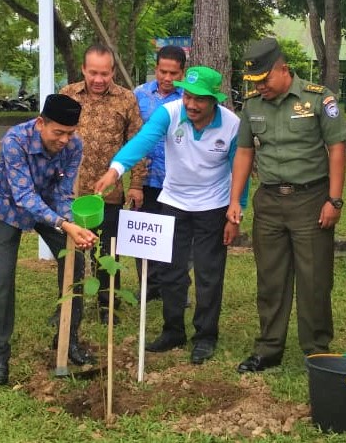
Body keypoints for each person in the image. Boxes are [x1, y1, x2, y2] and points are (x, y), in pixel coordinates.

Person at [95, 66, 244, 364]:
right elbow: (143, 140)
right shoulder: (170, 113)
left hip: (213, 206)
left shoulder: (231, 124)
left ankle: (205, 335)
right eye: (188, 95)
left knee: (208, 274)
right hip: (174, 202)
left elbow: (241, 169)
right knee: (171, 272)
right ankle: (173, 330)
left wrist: (236, 210)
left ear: (214, 99)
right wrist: (116, 169)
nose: (191, 104)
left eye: (199, 99)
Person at [228, 37, 346, 372]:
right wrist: (234, 200)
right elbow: (244, 152)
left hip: (311, 199)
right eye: (254, 82)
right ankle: (268, 348)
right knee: (270, 278)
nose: (260, 87)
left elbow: (336, 148)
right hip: (269, 200)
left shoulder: (318, 98)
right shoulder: (253, 105)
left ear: (283, 69)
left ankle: (316, 349)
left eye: (265, 80)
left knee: (314, 279)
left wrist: (334, 200)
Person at [0, 94, 99, 385]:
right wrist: (63, 223)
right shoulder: (15, 141)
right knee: (4, 278)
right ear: (40, 123)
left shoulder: (74, 146)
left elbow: (62, 193)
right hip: (8, 208)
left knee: (75, 262)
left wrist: (71, 226)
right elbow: (23, 196)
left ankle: (68, 339)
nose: (64, 140)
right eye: (58, 132)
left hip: (49, 209)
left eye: (70, 133)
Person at [60, 43, 146, 324]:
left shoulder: (126, 100)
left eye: (105, 74)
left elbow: (138, 143)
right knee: (70, 255)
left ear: (113, 72)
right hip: (70, 192)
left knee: (108, 253)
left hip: (109, 193)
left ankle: (108, 307)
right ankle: (67, 309)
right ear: (83, 69)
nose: (99, 80)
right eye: (93, 73)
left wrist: (136, 185)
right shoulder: (67, 95)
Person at [132, 45, 186, 302]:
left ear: (182, 73)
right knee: (147, 232)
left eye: (173, 73)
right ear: (156, 69)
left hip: (177, 180)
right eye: (163, 71)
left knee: (178, 236)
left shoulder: (189, 99)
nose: (167, 78)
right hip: (146, 178)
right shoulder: (139, 95)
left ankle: (177, 288)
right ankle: (149, 286)